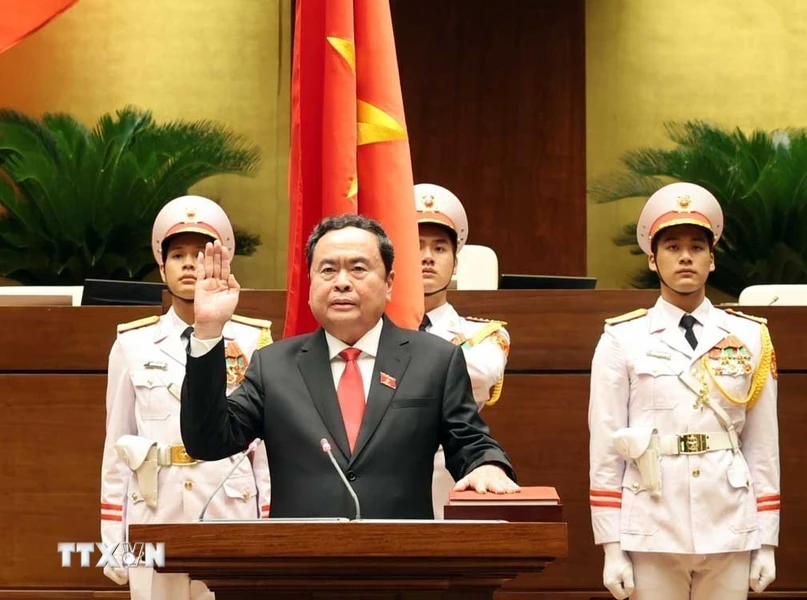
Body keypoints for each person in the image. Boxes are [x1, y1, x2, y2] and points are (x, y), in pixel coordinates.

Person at [180, 214, 518, 519]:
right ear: (310, 285)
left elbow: (470, 441)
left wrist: (487, 465)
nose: (342, 282)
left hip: (403, 568)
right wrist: (208, 330)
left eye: (358, 269)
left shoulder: (435, 360)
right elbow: (208, 441)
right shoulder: (274, 366)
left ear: (389, 283)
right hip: (298, 569)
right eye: (327, 270)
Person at [588, 182, 780, 600]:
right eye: (672, 247)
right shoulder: (622, 338)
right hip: (653, 521)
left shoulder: (749, 337)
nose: (686, 256)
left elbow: (762, 446)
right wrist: (611, 546)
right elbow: (605, 447)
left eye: (697, 246)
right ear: (653, 260)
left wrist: (766, 539)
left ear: (712, 260)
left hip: (729, 519)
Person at [100, 195, 273, 600]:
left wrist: (269, 524)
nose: (191, 263)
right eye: (178, 254)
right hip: (156, 507)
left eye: (202, 253)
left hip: (230, 506)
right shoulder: (132, 344)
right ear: (162, 265)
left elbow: (265, 450)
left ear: (223, 261)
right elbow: (117, 446)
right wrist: (113, 537)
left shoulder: (252, 339)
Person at [414, 183, 511, 518]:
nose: (427, 257)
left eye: (440, 249)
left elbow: (478, 376)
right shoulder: (373, 331)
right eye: (416, 246)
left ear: (455, 264)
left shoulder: (484, 334)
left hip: (453, 475)